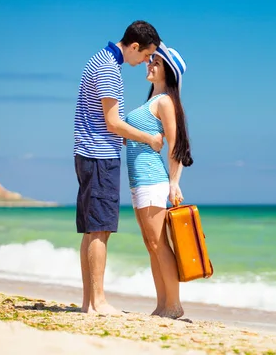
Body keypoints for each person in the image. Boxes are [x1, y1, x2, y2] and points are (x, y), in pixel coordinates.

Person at [73, 21, 163, 315]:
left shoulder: (100, 59)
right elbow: (113, 123)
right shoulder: (109, 70)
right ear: (134, 46)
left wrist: (121, 137)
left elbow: (105, 121)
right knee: (100, 230)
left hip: (89, 154)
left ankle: (89, 302)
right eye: (146, 55)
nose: (145, 63)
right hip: (99, 157)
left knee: (91, 230)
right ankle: (98, 302)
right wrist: (148, 137)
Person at [125, 42, 193, 318]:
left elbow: (175, 145)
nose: (149, 64)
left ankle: (174, 305)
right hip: (139, 181)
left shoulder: (164, 101)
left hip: (153, 181)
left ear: (168, 72)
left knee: (158, 243)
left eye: (156, 62)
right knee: (151, 243)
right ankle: (162, 304)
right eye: (150, 60)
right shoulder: (150, 101)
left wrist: (174, 183)